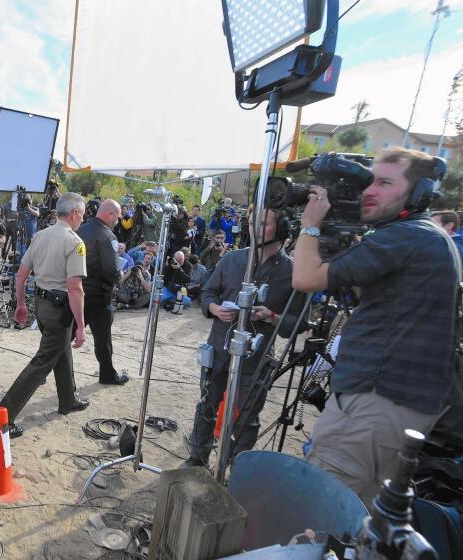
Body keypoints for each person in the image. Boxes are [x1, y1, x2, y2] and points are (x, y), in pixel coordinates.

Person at [292, 147, 459, 507]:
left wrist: (311, 223)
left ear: (420, 193)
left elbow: (305, 277)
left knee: (319, 511)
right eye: (369, 181)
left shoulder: (407, 236)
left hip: (376, 402)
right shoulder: (424, 235)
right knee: (359, 517)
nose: (369, 190)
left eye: (384, 182)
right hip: (397, 404)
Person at [184, 207, 303, 468]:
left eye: (263, 222)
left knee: (247, 417)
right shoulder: (232, 260)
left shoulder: (293, 272)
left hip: (257, 358)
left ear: (282, 228)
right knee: (207, 405)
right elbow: (207, 294)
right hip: (218, 348)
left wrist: (271, 316)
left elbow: (298, 323)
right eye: (251, 222)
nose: (254, 228)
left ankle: (236, 468)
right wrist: (215, 309)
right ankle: (197, 458)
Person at [0, 193, 90, 438]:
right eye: (82, 215)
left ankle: (68, 399)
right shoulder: (75, 242)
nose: (82, 220)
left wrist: (21, 304)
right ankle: (2, 416)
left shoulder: (40, 235)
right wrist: (81, 326)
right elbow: (75, 288)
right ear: (74, 213)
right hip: (59, 309)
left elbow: (21, 275)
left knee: (59, 351)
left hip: (42, 305)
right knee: (42, 363)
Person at [77, 199, 130, 386]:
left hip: (78, 293)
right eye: (117, 217)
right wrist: (121, 273)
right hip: (99, 297)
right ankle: (107, 375)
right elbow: (112, 271)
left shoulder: (80, 229)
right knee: (103, 340)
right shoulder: (108, 236)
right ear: (110, 215)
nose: (118, 221)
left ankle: (42, 369)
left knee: (63, 336)